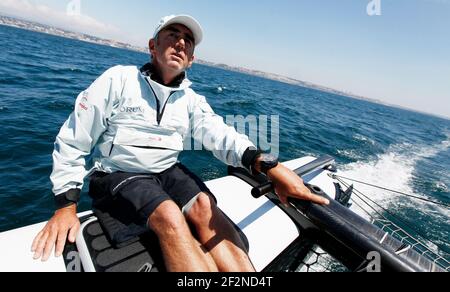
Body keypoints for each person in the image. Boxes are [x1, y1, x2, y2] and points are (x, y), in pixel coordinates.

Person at [31, 15, 329, 272]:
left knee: (204, 206)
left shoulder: (191, 100)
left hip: (166, 171)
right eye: (172, 36)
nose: (181, 42)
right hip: (117, 172)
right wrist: (65, 206)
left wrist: (271, 168)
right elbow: (74, 139)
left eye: (188, 40)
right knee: (170, 215)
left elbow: (221, 135)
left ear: (192, 60)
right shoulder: (118, 80)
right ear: (152, 46)